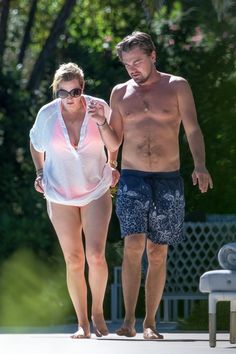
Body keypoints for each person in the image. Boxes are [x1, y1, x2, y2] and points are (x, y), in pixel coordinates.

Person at [88, 31, 213, 340]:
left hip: (168, 179)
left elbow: (193, 129)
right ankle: (129, 320)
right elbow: (115, 140)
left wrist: (199, 165)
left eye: (138, 61)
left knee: (158, 252)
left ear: (153, 56)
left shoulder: (177, 86)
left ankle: (150, 322)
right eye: (127, 63)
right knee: (132, 246)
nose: (132, 68)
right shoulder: (120, 93)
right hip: (132, 178)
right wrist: (110, 158)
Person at [29, 62, 119, 339]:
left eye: (75, 91)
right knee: (74, 258)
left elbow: (114, 142)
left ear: (83, 88)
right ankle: (82, 323)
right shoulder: (47, 115)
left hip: (95, 189)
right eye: (63, 92)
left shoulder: (98, 107)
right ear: (56, 91)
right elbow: (34, 143)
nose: (70, 97)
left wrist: (111, 158)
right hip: (59, 192)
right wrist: (40, 172)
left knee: (95, 255)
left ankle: (98, 314)